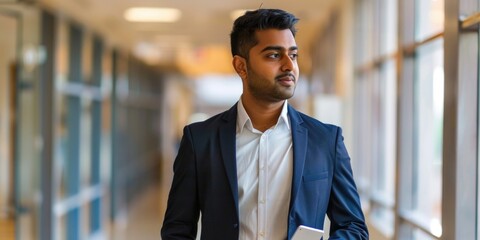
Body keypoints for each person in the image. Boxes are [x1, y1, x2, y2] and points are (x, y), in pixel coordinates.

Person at [161, 8, 368, 240]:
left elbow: (353, 227)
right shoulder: (200, 140)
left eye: (293, 55)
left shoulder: (326, 140)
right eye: (273, 55)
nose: (289, 66)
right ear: (241, 66)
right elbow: (177, 230)